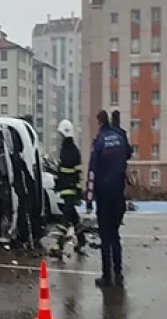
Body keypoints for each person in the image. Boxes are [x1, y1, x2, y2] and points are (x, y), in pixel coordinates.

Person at [86, 110, 131, 287]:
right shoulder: (119, 137)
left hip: (104, 196)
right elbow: (128, 154)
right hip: (118, 195)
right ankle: (118, 272)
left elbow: (92, 172)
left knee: (105, 237)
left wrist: (89, 199)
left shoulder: (99, 142)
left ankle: (107, 275)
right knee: (115, 235)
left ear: (99, 123)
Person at [53, 119, 84, 254]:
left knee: (65, 218)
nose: (60, 137)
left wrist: (77, 189)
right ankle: (81, 239)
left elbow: (75, 172)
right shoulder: (69, 150)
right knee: (73, 216)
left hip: (69, 188)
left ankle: (58, 245)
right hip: (67, 187)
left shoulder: (70, 151)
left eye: (61, 134)